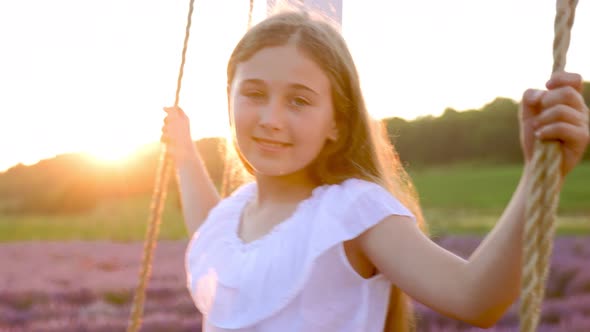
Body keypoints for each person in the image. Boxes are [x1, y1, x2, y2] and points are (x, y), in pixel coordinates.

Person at [160, 10, 590, 332]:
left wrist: (540, 177)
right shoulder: (233, 216)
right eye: (254, 93)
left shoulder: (352, 210)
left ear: (337, 123)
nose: (271, 118)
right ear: (229, 99)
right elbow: (207, 225)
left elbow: (475, 297)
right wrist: (184, 152)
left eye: (299, 101)